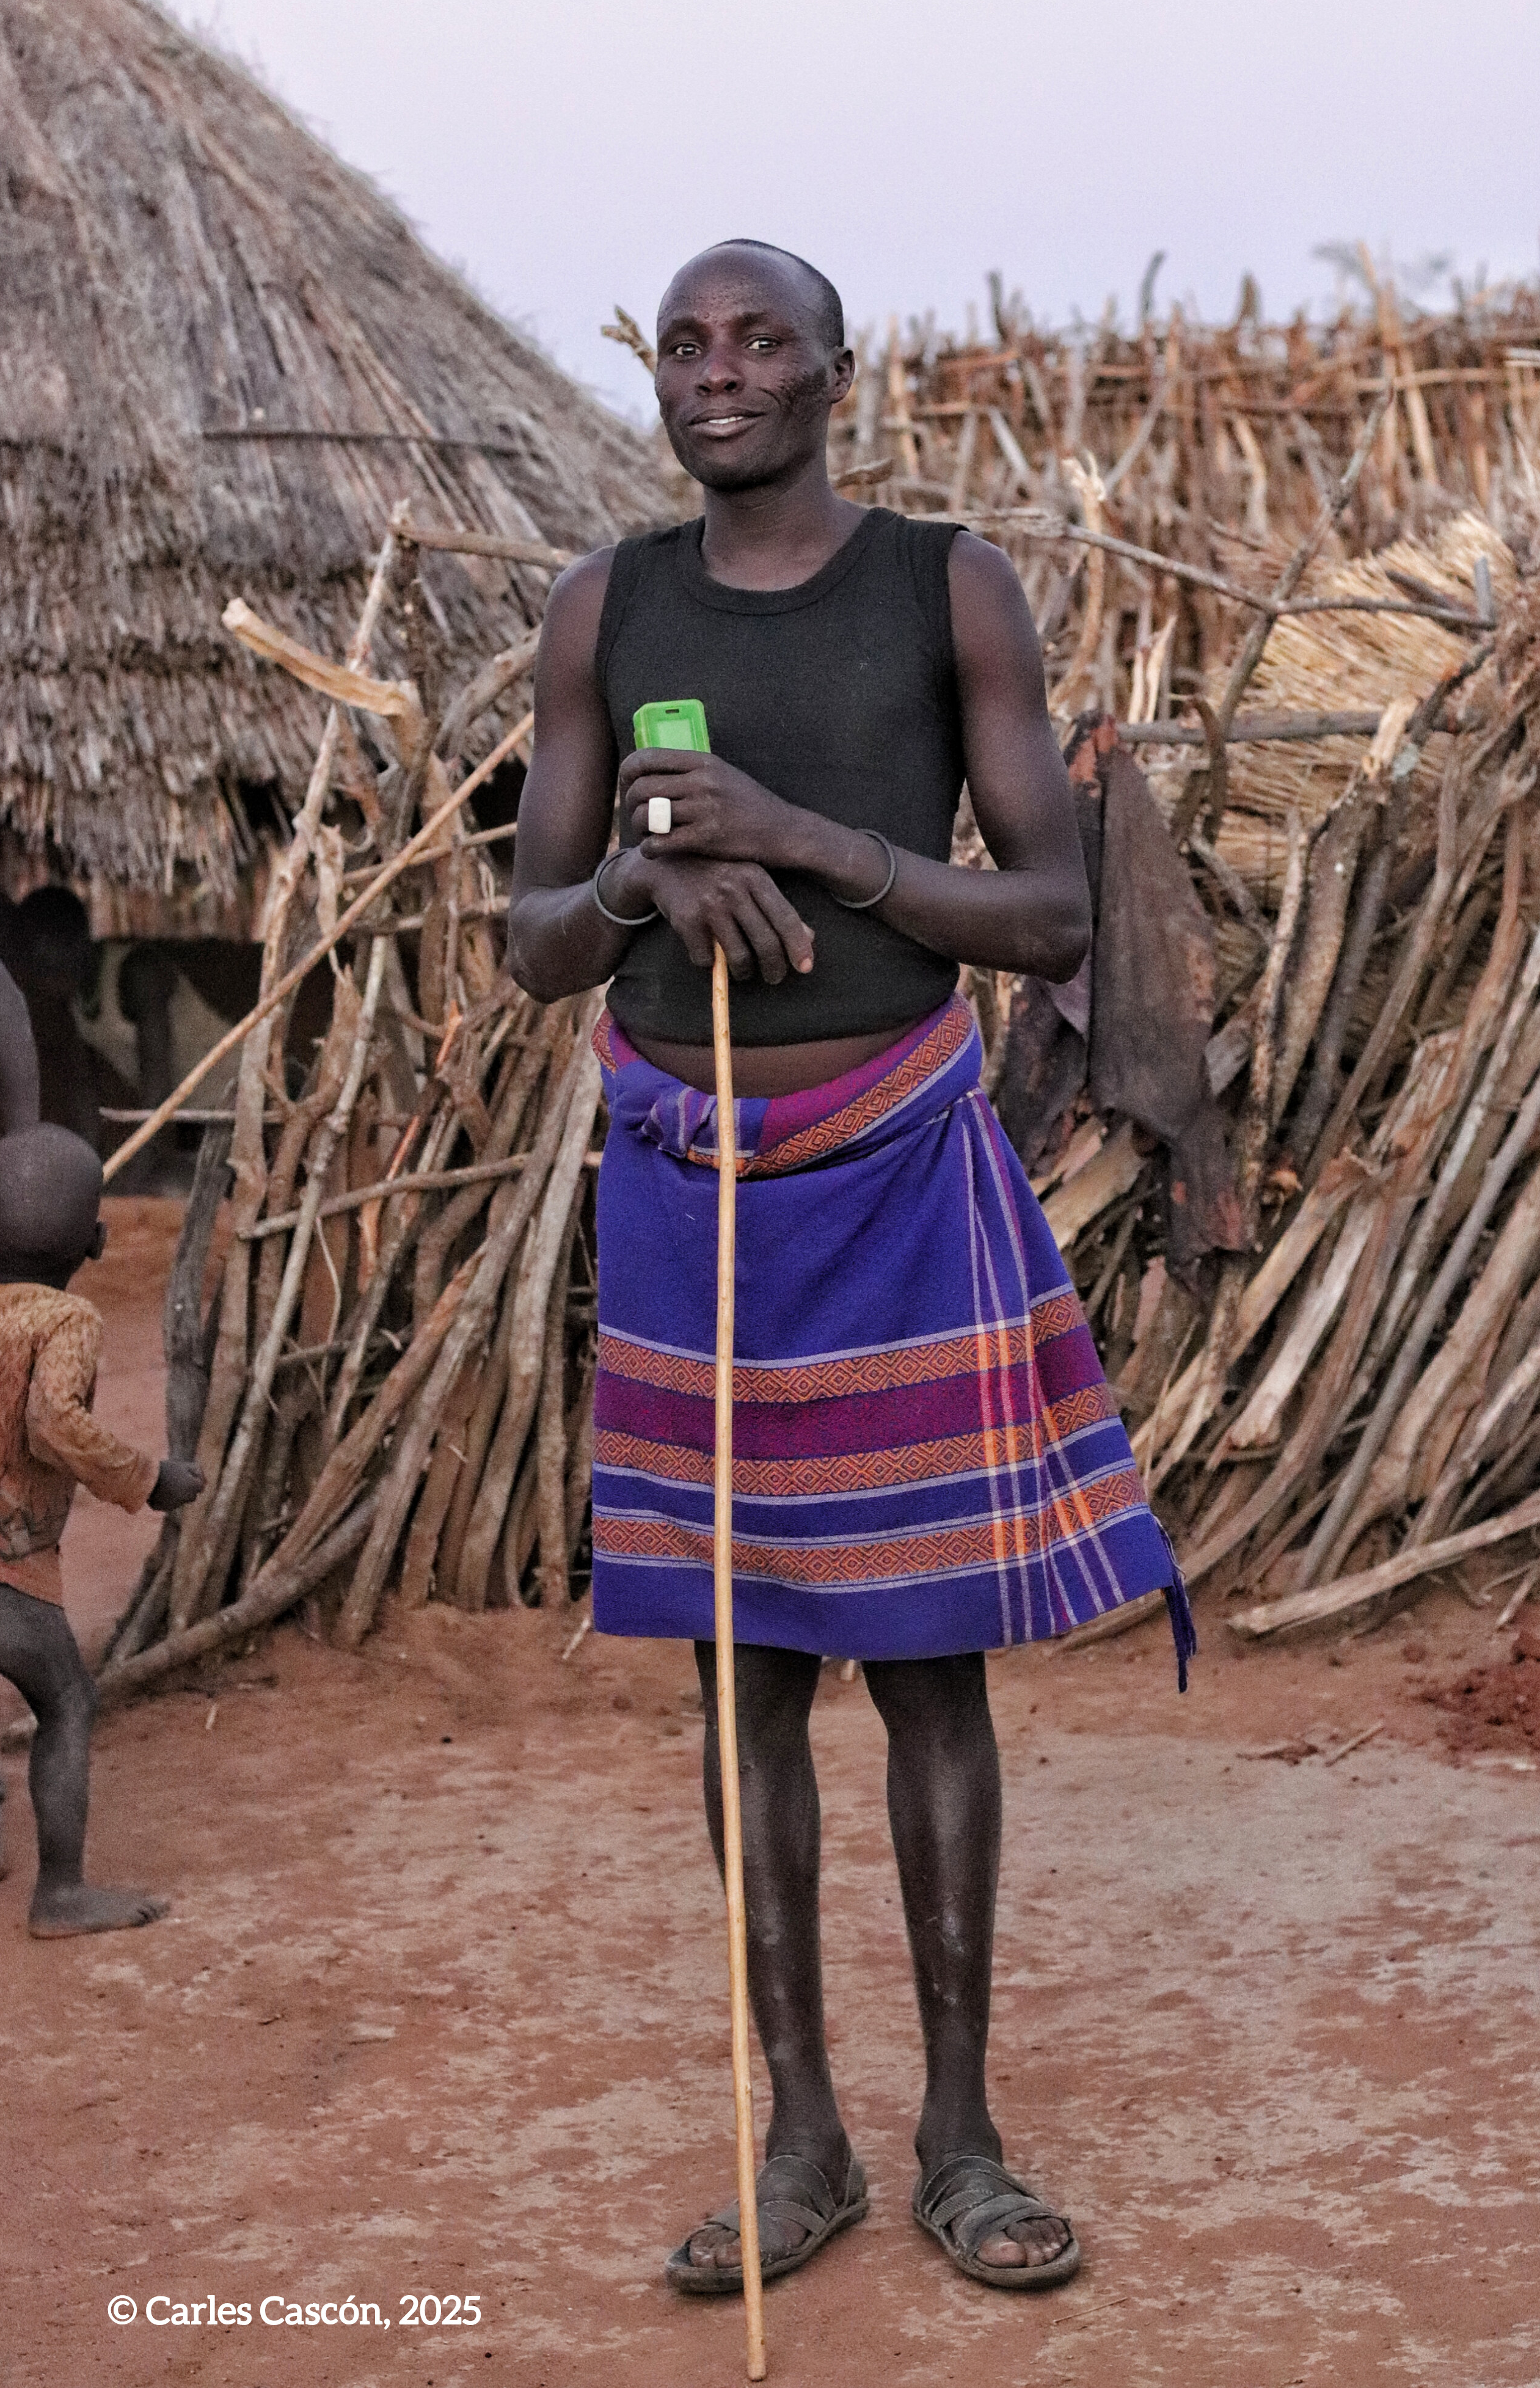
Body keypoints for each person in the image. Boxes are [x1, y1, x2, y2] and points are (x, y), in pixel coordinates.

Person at [508, 239, 1192, 2295]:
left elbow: (1056, 915)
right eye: (688, 346)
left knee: (923, 1662)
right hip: (688, 1181)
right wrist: (642, 871)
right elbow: (534, 935)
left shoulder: (942, 586)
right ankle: (794, 2136)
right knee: (742, 1679)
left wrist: (803, 835)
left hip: (895, 1163)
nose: (719, 374)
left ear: (832, 373)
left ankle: (960, 2140)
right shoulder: (602, 610)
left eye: (761, 343)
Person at [0, 1120, 204, 1932]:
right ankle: (62, 1894)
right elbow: (52, 1423)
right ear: (99, 1241)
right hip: (0, 1560)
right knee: (67, 1701)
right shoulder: (64, 1321)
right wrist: (149, 1480)